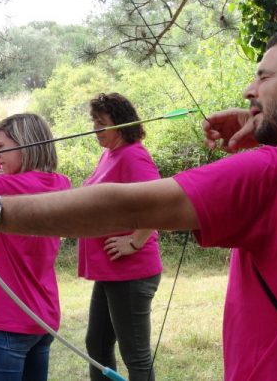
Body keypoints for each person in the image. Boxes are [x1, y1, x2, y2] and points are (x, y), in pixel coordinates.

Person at [0, 27, 277, 381]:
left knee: (134, 351)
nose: (249, 90)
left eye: (264, 77)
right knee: (99, 343)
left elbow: (126, 207)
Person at [0, 113, 70, 381]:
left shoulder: (4, 185)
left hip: (8, 320)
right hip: (44, 319)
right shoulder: (62, 183)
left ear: (26, 145)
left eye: (2, 147)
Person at [80, 93, 162, 381]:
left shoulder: (133, 154)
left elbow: (158, 202)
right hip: (111, 270)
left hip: (132, 272)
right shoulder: (110, 153)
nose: (95, 129)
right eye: (94, 122)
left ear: (122, 125)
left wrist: (135, 241)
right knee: (97, 344)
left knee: (135, 354)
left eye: (102, 123)